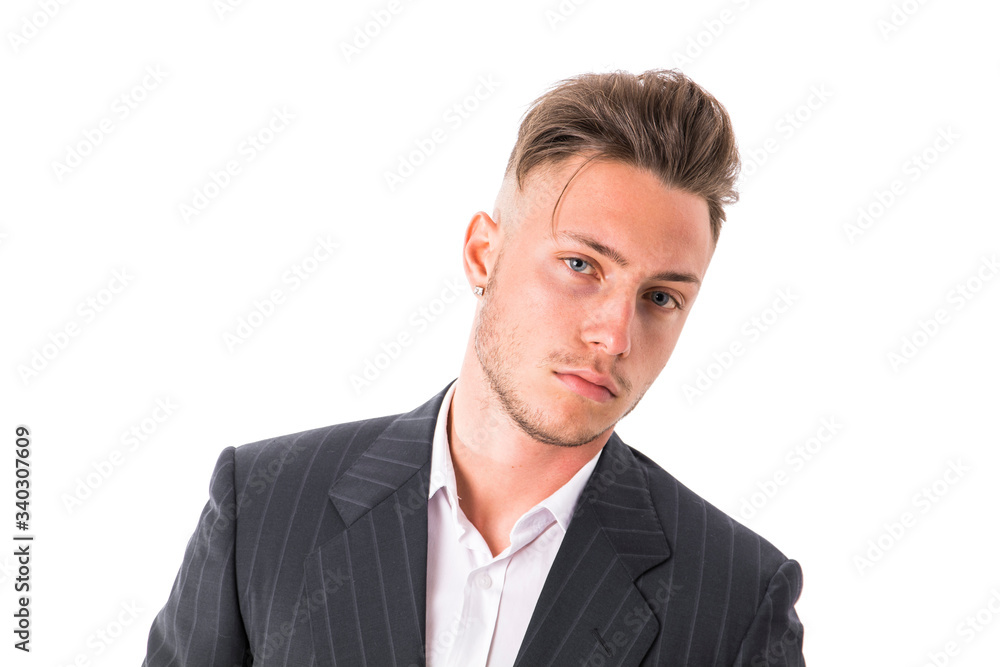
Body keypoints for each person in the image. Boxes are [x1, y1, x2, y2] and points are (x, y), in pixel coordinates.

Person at [142, 68, 806, 666]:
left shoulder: (735, 602)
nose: (614, 334)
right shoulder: (264, 508)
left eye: (661, 297)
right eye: (581, 265)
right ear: (484, 254)